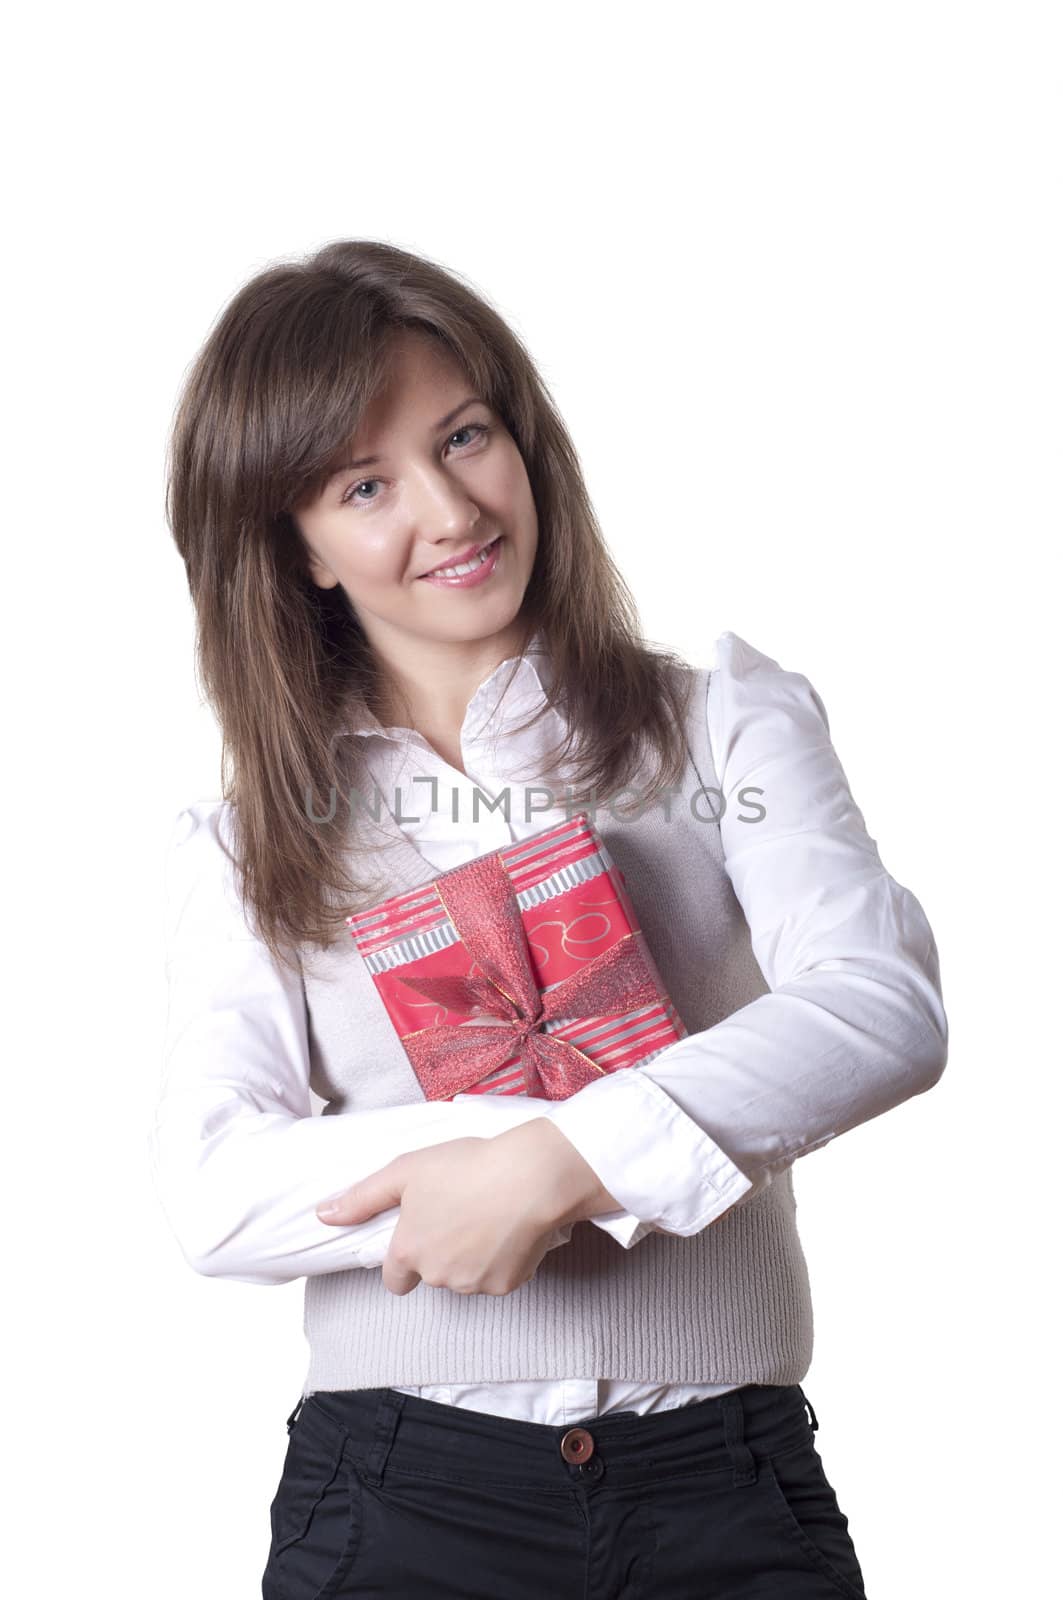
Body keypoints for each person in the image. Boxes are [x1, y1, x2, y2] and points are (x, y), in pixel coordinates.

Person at [151, 238, 947, 1598]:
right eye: (365, 484)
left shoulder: (721, 727)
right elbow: (218, 1190)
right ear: (299, 552)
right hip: (397, 1498)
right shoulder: (253, 845)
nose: (452, 512)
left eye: (467, 436)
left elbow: (879, 1006)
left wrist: (565, 1166)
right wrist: (494, 1150)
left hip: (722, 1490)